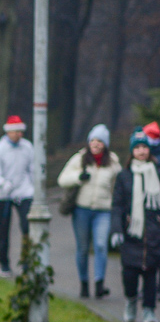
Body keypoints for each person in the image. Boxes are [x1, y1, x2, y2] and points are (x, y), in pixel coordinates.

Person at [57, 124, 121, 299]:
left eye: (99, 141)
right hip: (82, 210)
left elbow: (118, 187)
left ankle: (99, 283)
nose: (95, 144)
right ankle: (84, 283)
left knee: (101, 246)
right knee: (83, 248)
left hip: (103, 211)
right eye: (92, 140)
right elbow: (62, 180)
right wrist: (78, 178)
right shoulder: (79, 159)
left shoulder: (113, 162)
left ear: (105, 144)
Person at [111, 130, 160, 322]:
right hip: (131, 232)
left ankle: (149, 310)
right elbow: (117, 204)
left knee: (150, 274)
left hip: (153, 233)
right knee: (129, 274)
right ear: (132, 151)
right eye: (137, 148)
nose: (141, 151)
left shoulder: (157, 173)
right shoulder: (124, 176)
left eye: (144, 147)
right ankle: (131, 300)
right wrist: (116, 228)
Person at [0, 115, 35, 278]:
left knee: (27, 226)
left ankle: (26, 261)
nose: (19, 135)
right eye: (16, 132)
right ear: (9, 132)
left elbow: (32, 168)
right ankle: (3, 263)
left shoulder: (27, 147)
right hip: (3, 194)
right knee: (3, 229)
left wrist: (33, 187)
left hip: (23, 192)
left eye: (21, 132)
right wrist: (1, 183)